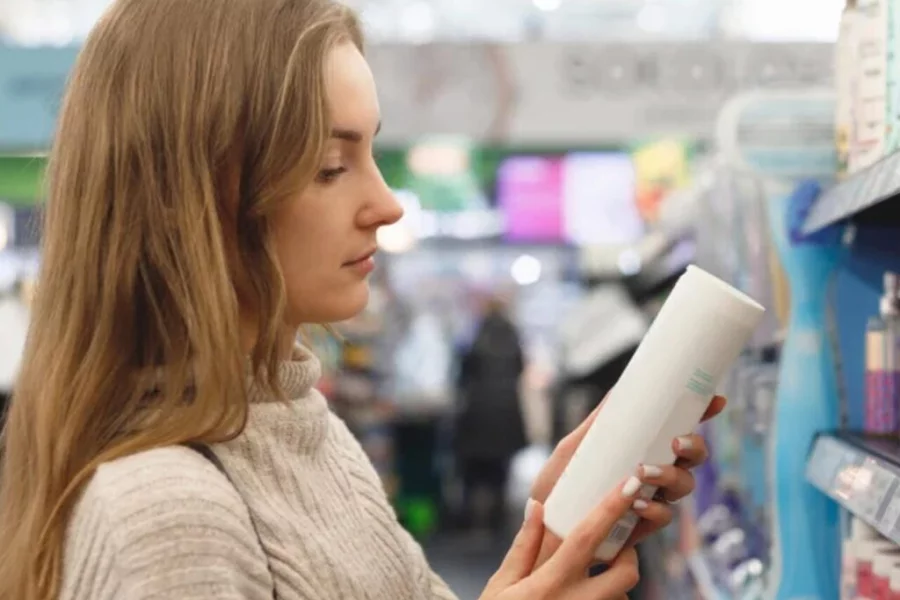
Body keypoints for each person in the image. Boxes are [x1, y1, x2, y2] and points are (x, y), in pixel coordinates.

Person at [0, 1, 725, 599]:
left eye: (370, 152)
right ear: (194, 197)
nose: (387, 204)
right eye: (329, 166)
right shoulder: (168, 517)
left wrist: (551, 539)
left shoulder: (305, 431)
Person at [455, 295, 528, 536]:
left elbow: (463, 373)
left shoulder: (477, 336)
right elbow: (521, 368)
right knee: (501, 470)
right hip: (506, 412)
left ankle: (470, 520)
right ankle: (498, 520)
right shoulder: (513, 336)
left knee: (472, 471)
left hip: (477, 413)